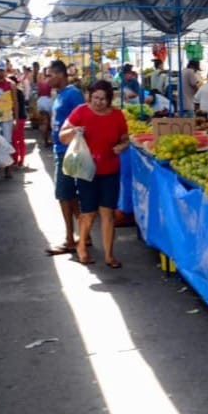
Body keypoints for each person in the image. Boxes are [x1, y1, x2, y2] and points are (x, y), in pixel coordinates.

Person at [59, 80, 129, 268]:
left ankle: (109, 254)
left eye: (103, 99)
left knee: (108, 214)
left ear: (109, 99)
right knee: (88, 212)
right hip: (86, 171)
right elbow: (62, 136)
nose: (98, 102)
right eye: (95, 98)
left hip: (110, 170)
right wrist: (74, 130)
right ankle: (82, 246)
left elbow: (125, 138)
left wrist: (121, 146)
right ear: (90, 97)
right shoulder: (80, 111)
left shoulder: (117, 115)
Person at [42, 61, 86, 255]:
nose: (47, 79)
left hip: (68, 150)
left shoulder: (73, 94)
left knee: (64, 195)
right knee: (70, 195)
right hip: (62, 148)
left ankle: (70, 239)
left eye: (50, 75)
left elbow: (83, 120)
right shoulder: (61, 95)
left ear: (60, 75)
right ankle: (84, 235)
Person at [11, 75, 28, 169]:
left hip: (18, 118)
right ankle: (20, 159)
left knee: (16, 139)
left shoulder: (15, 93)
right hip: (21, 117)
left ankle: (17, 160)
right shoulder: (19, 92)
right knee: (19, 139)